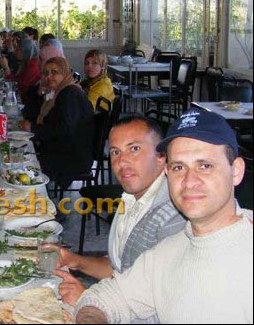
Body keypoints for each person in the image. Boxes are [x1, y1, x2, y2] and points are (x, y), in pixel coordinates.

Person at [74, 109, 253, 324]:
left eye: (205, 166)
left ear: (236, 171)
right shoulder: (167, 253)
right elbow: (107, 297)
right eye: (179, 167)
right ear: (167, 172)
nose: (189, 181)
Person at [52, 115, 186, 312]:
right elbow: (121, 269)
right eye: (115, 152)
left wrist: (87, 298)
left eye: (134, 149)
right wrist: (75, 261)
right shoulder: (131, 198)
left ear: (161, 156)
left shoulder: (174, 217)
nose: (122, 162)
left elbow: (160, 308)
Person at [19, 57, 94, 184]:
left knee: (20, 162)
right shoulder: (57, 92)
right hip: (61, 148)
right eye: (46, 73)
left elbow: (64, 131)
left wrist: (33, 128)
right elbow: (29, 112)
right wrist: (39, 95)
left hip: (71, 157)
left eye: (54, 72)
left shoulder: (70, 94)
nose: (49, 77)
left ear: (65, 73)